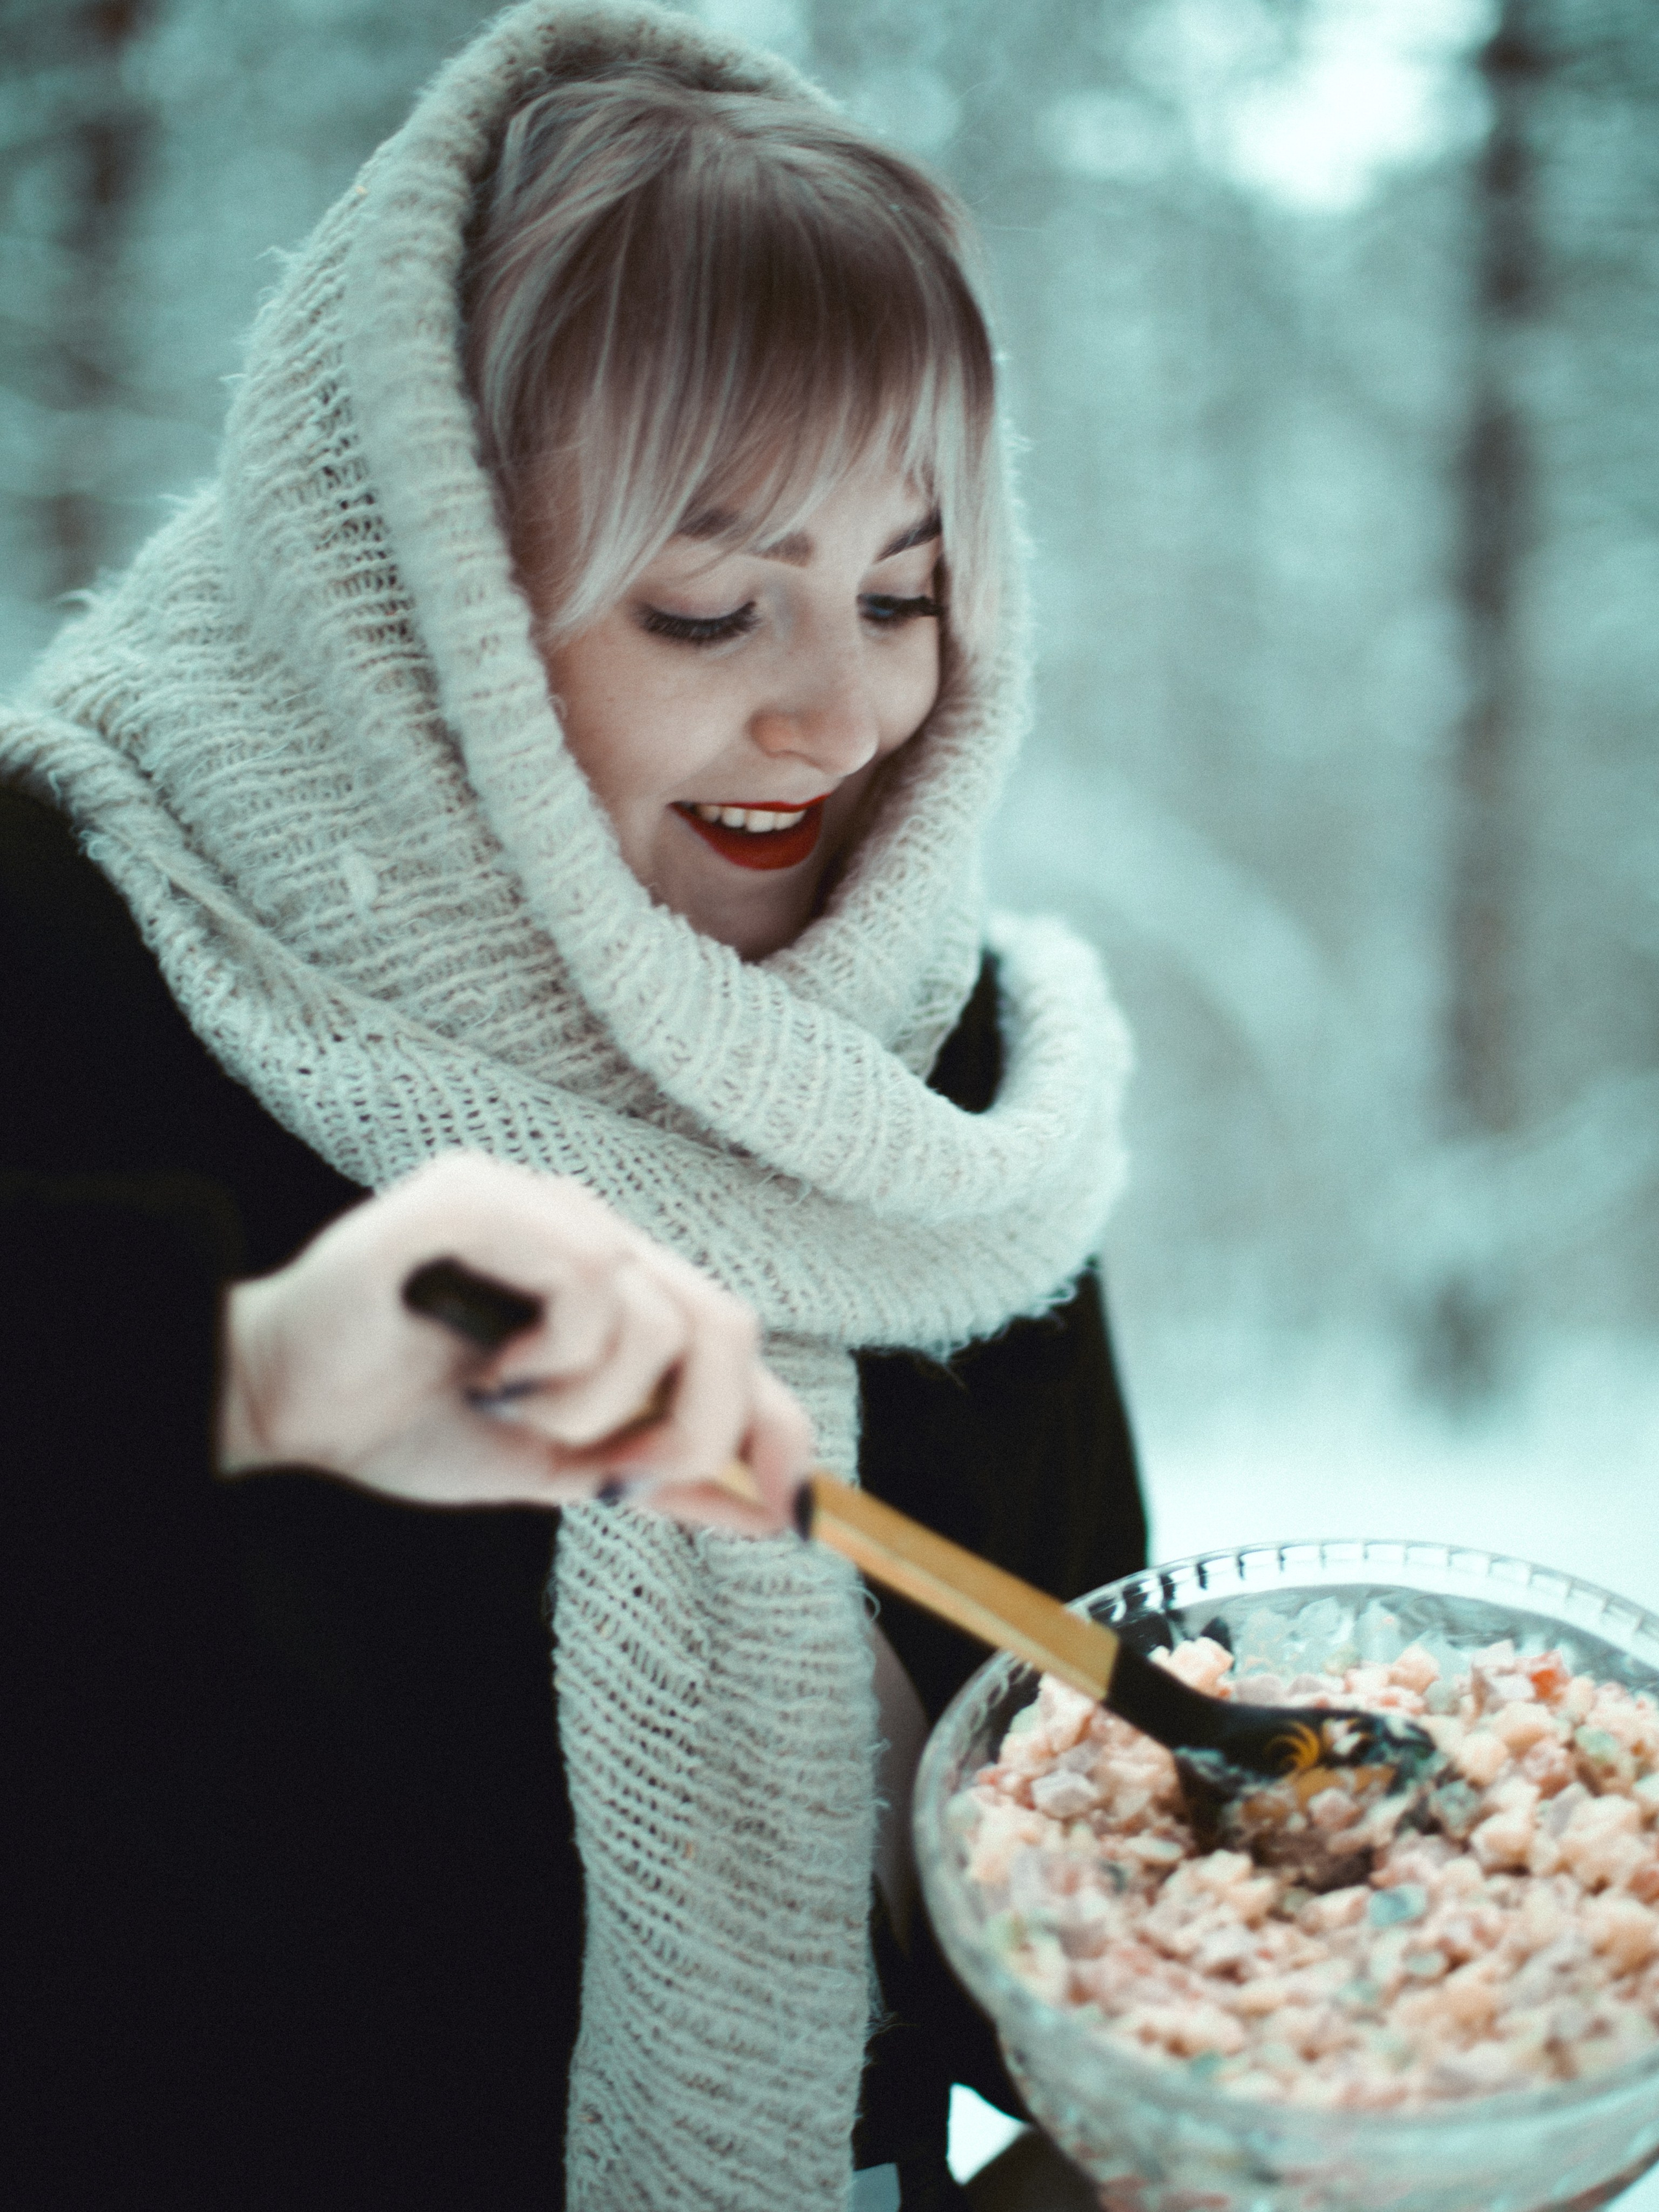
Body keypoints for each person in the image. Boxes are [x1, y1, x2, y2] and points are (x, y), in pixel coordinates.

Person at [0, 4, 1143, 2207]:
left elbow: (1047, 1929)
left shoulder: (947, 1090)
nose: (841, 712)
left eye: (903, 592)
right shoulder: (63, 957)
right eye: (708, 605)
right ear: (411, 601)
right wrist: (240, 1375)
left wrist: (1257, 2101)